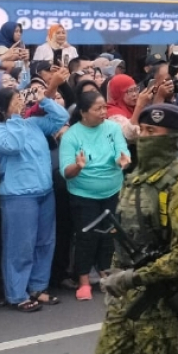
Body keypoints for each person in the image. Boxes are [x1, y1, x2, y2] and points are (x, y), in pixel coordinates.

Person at [96, 102, 178, 354]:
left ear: (172, 138)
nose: (144, 137)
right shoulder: (134, 180)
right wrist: (116, 275)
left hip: (159, 301)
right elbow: (123, 235)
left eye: (152, 132)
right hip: (124, 295)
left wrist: (133, 278)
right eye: (142, 130)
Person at [0, 75, 70, 310]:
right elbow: (13, 146)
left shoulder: (33, 124)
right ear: (3, 107)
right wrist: (13, 117)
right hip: (18, 196)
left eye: (21, 98)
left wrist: (43, 100)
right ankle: (17, 294)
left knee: (44, 243)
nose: (21, 102)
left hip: (45, 191)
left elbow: (61, 118)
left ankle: (38, 287)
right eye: (15, 100)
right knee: (19, 247)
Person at [59, 88, 130, 301]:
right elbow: (66, 172)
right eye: (97, 109)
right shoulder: (72, 135)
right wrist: (78, 167)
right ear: (83, 112)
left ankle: (106, 276)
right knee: (86, 237)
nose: (103, 112)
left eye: (104, 108)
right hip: (83, 193)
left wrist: (123, 160)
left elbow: (122, 151)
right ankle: (83, 281)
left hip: (112, 189)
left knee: (110, 234)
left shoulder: (112, 129)